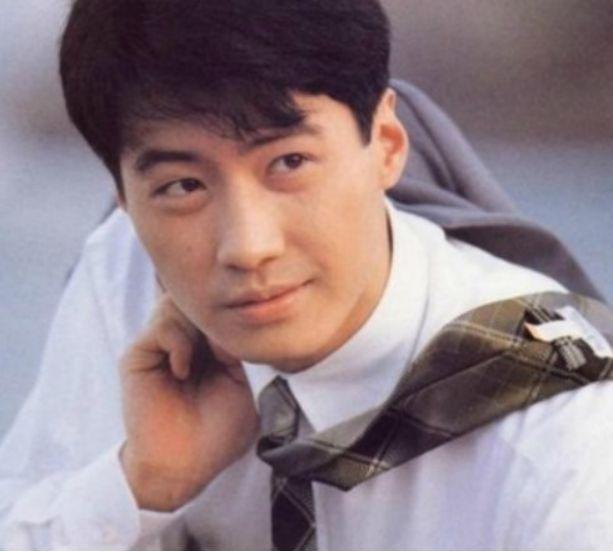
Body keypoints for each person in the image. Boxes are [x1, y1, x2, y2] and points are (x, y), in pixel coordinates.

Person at [1, 0, 613, 549]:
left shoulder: (568, 442)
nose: (248, 248)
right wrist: (145, 486)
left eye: (290, 162)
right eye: (184, 186)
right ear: (124, 197)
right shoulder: (126, 274)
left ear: (387, 142)